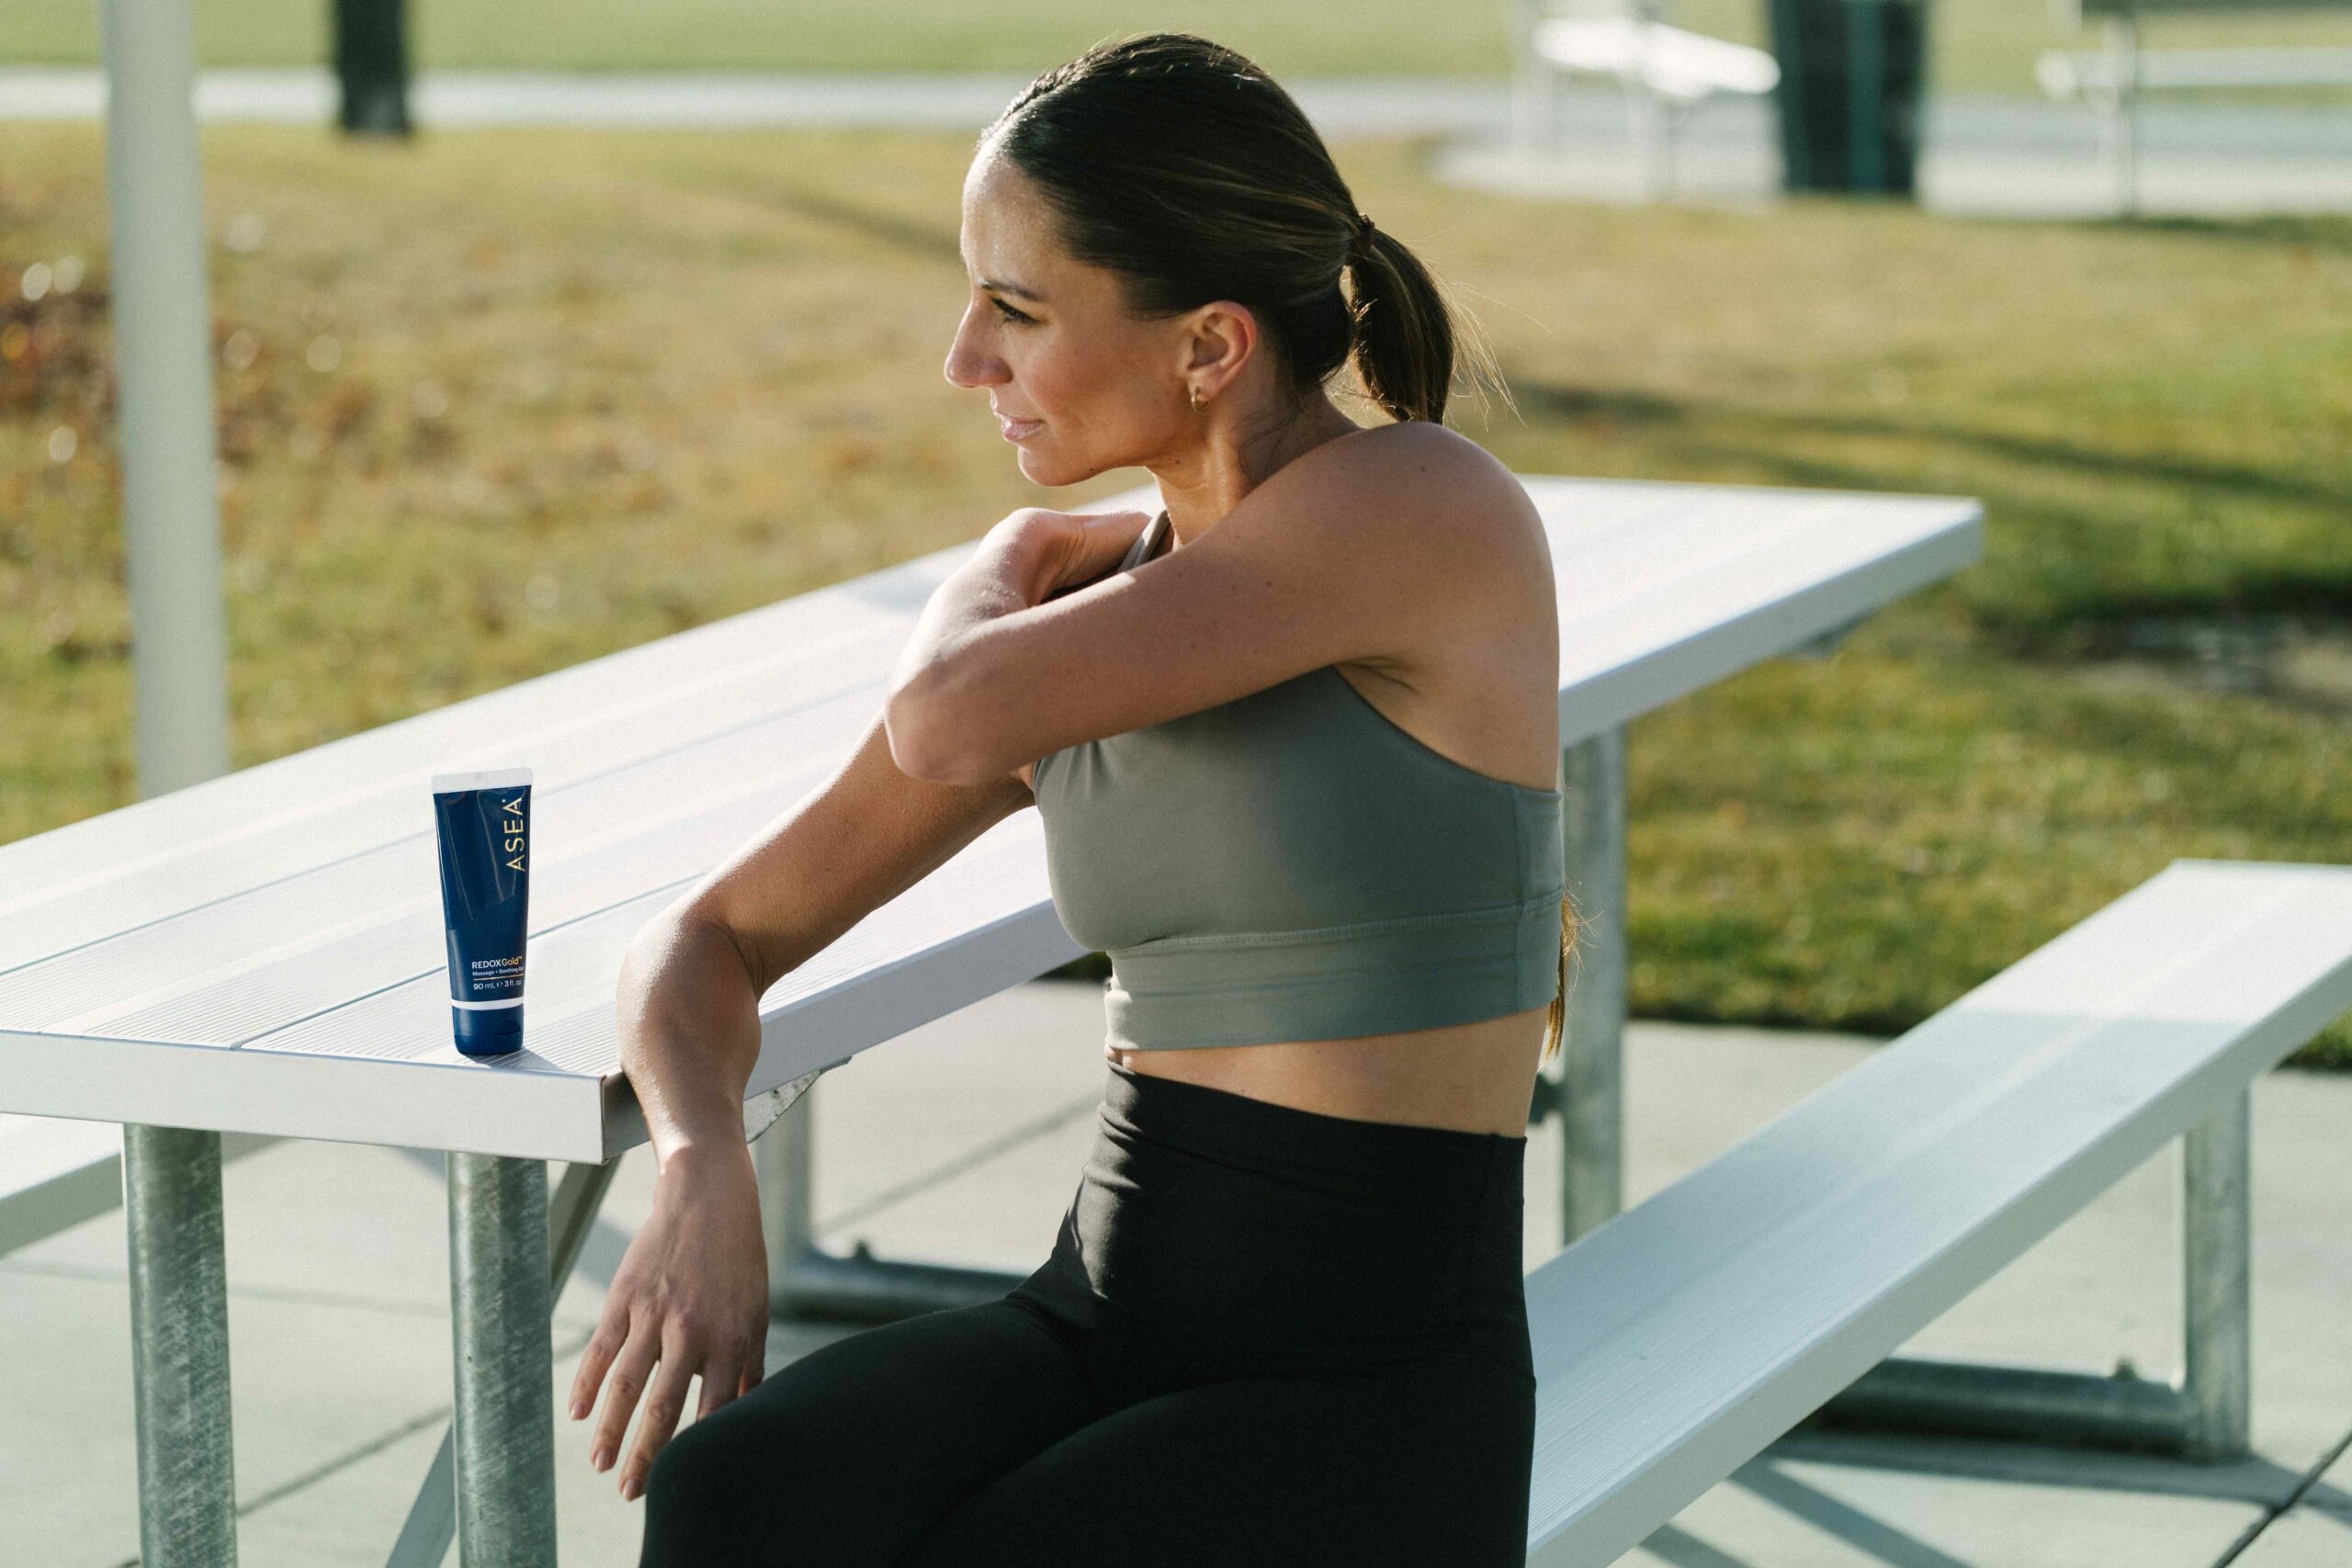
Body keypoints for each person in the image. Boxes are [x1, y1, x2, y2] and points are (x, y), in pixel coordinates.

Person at [574, 30, 1580, 1567]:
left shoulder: (1422, 508)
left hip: (1363, 1380)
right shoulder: (1099, 613)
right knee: (744, 1491)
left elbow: (942, 716)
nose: (965, 360)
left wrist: (992, 568)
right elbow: (702, 944)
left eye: (1018, 309)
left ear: (1210, 346)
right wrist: (704, 1161)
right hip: (1103, 1314)